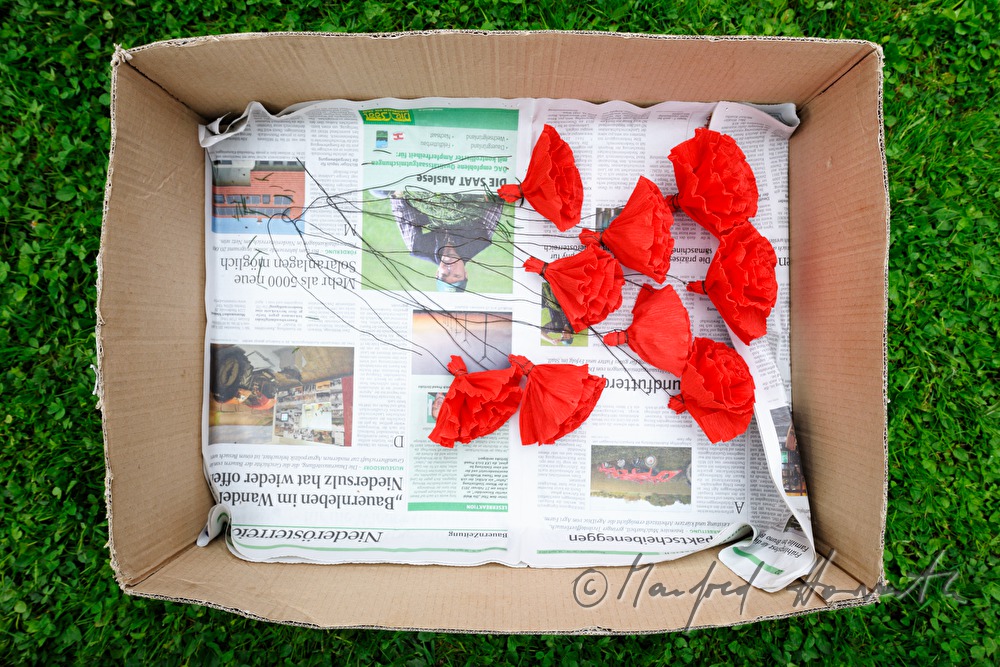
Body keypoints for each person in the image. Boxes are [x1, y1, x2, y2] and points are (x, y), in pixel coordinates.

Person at [388, 192, 503, 292]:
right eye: (456, 275)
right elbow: (495, 202)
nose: (450, 269)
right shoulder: (481, 240)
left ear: (437, 273)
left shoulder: (418, 249)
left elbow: (399, 205)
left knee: (378, 192)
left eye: (444, 275)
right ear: (465, 273)